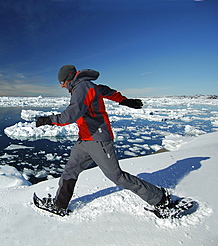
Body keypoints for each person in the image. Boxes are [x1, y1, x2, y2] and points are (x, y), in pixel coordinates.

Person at [35, 65, 172, 217]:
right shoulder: (87, 86)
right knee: (71, 170)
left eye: (62, 82)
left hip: (98, 140)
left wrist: (48, 120)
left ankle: (160, 200)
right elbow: (106, 90)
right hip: (85, 140)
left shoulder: (82, 87)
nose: (61, 85)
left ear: (69, 78)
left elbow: (72, 114)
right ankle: (60, 205)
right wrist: (124, 101)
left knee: (117, 176)